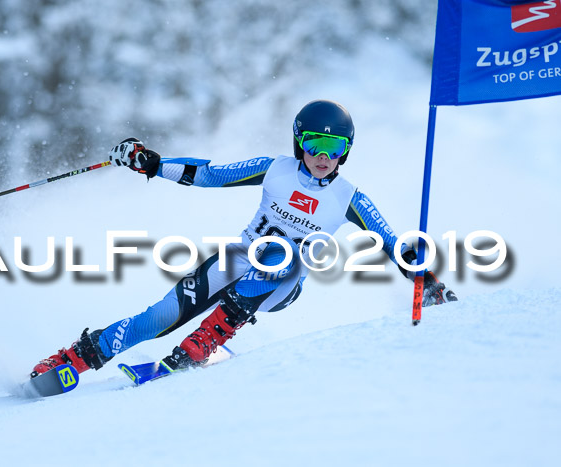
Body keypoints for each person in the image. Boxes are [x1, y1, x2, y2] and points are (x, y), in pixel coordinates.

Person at [31, 100, 457, 378]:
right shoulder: (275, 169)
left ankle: (206, 341)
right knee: (160, 315)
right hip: (236, 259)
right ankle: (78, 357)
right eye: (314, 144)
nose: (323, 157)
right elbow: (211, 175)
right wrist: (150, 162)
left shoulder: (350, 197)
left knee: (283, 253)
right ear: (298, 141)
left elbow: (392, 242)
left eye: (333, 146)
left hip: (281, 285)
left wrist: (428, 282)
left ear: (346, 149)